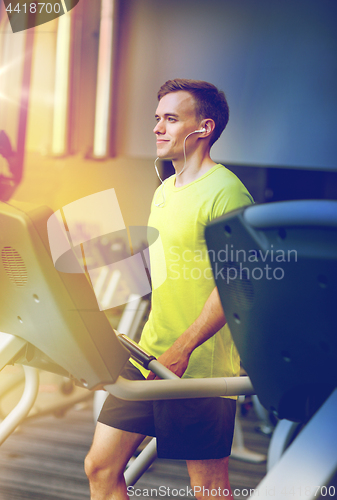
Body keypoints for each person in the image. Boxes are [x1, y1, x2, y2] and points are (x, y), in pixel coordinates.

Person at [85, 79, 253, 499]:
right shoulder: (163, 190)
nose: (158, 128)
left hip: (199, 367)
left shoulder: (227, 192)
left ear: (205, 128)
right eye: (157, 118)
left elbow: (234, 285)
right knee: (101, 466)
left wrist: (184, 348)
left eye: (172, 119)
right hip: (150, 353)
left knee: (208, 488)